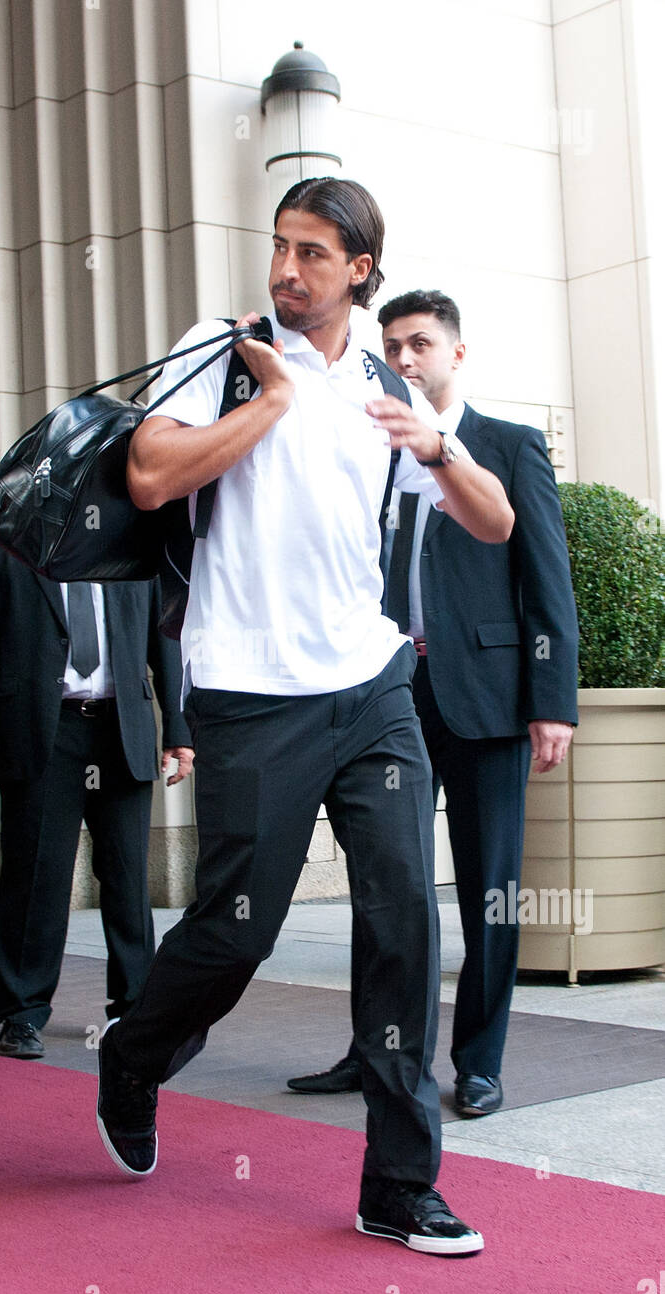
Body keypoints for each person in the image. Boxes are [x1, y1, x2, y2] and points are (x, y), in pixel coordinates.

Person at [95, 180, 515, 1256]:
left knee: (404, 919)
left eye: (313, 253)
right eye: (280, 247)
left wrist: (433, 446)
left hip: (369, 685)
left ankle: (398, 1182)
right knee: (237, 931)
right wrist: (268, 402)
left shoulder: (385, 384)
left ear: (359, 271)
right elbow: (148, 478)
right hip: (246, 689)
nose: (287, 270)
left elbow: (494, 518)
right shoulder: (219, 349)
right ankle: (134, 1056)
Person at [287, 289, 578, 1117]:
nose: (404, 358)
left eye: (420, 343)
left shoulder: (509, 446)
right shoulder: (370, 449)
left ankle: (478, 1062)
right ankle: (372, 1049)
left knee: (489, 886)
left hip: (484, 700)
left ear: (455, 354)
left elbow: (544, 582)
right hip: (383, 693)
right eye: (392, 344)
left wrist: (550, 701)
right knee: (386, 882)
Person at [0, 534, 193, 1058]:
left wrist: (180, 729)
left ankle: (135, 1006)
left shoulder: (134, 550)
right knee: (36, 875)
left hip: (120, 727)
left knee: (127, 877)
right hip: (41, 732)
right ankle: (22, 1013)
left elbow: (166, 638)